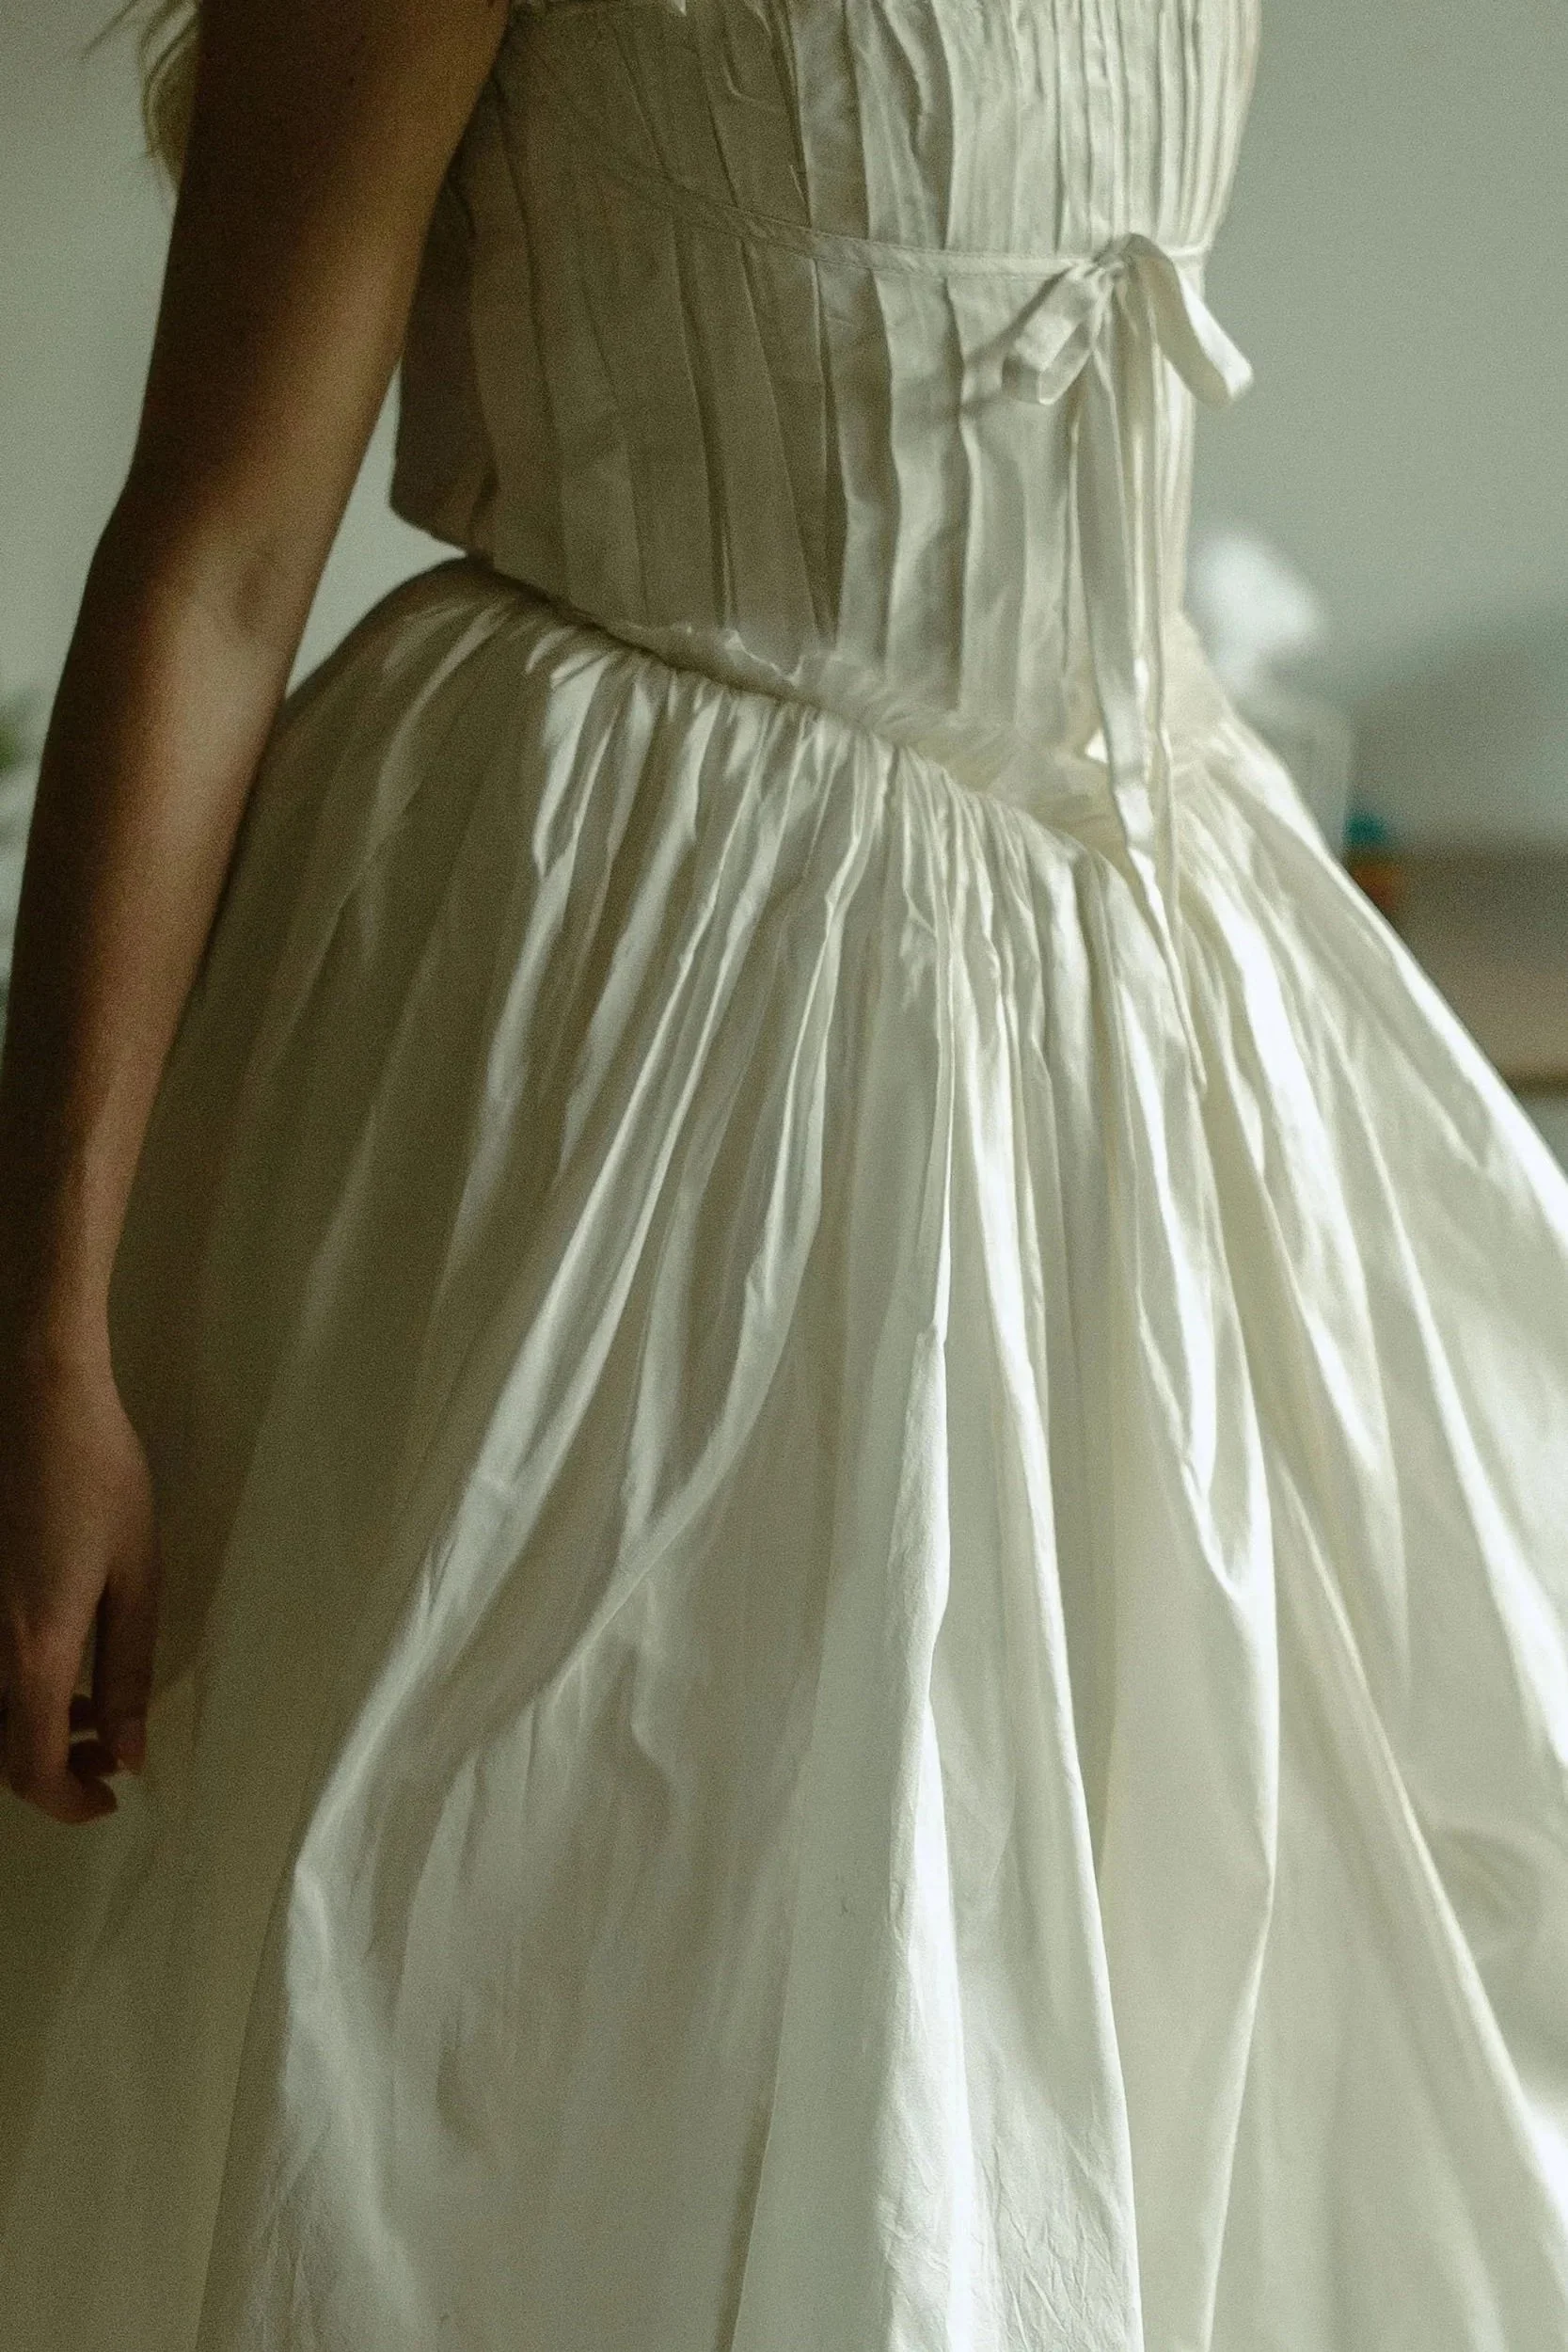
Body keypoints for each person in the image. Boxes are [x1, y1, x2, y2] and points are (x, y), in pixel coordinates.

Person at [3, 0, 1567, 2343]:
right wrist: (48, 1337)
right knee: (558, 2028)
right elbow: (216, 566)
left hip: (1140, 1009)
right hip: (624, 1041)